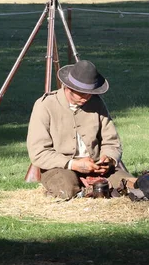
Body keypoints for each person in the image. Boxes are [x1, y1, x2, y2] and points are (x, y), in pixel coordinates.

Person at [26, 60, 134, 199]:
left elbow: (111, 142)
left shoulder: (96, 103)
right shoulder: (45, 105)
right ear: (67, 87)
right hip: (60, 167)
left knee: (131, 186)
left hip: (95, 167)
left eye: (90, 93)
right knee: (67, 190)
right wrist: (74, 164)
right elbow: (39, 152)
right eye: (82, 93)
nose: (87, 97)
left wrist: (108, 160)